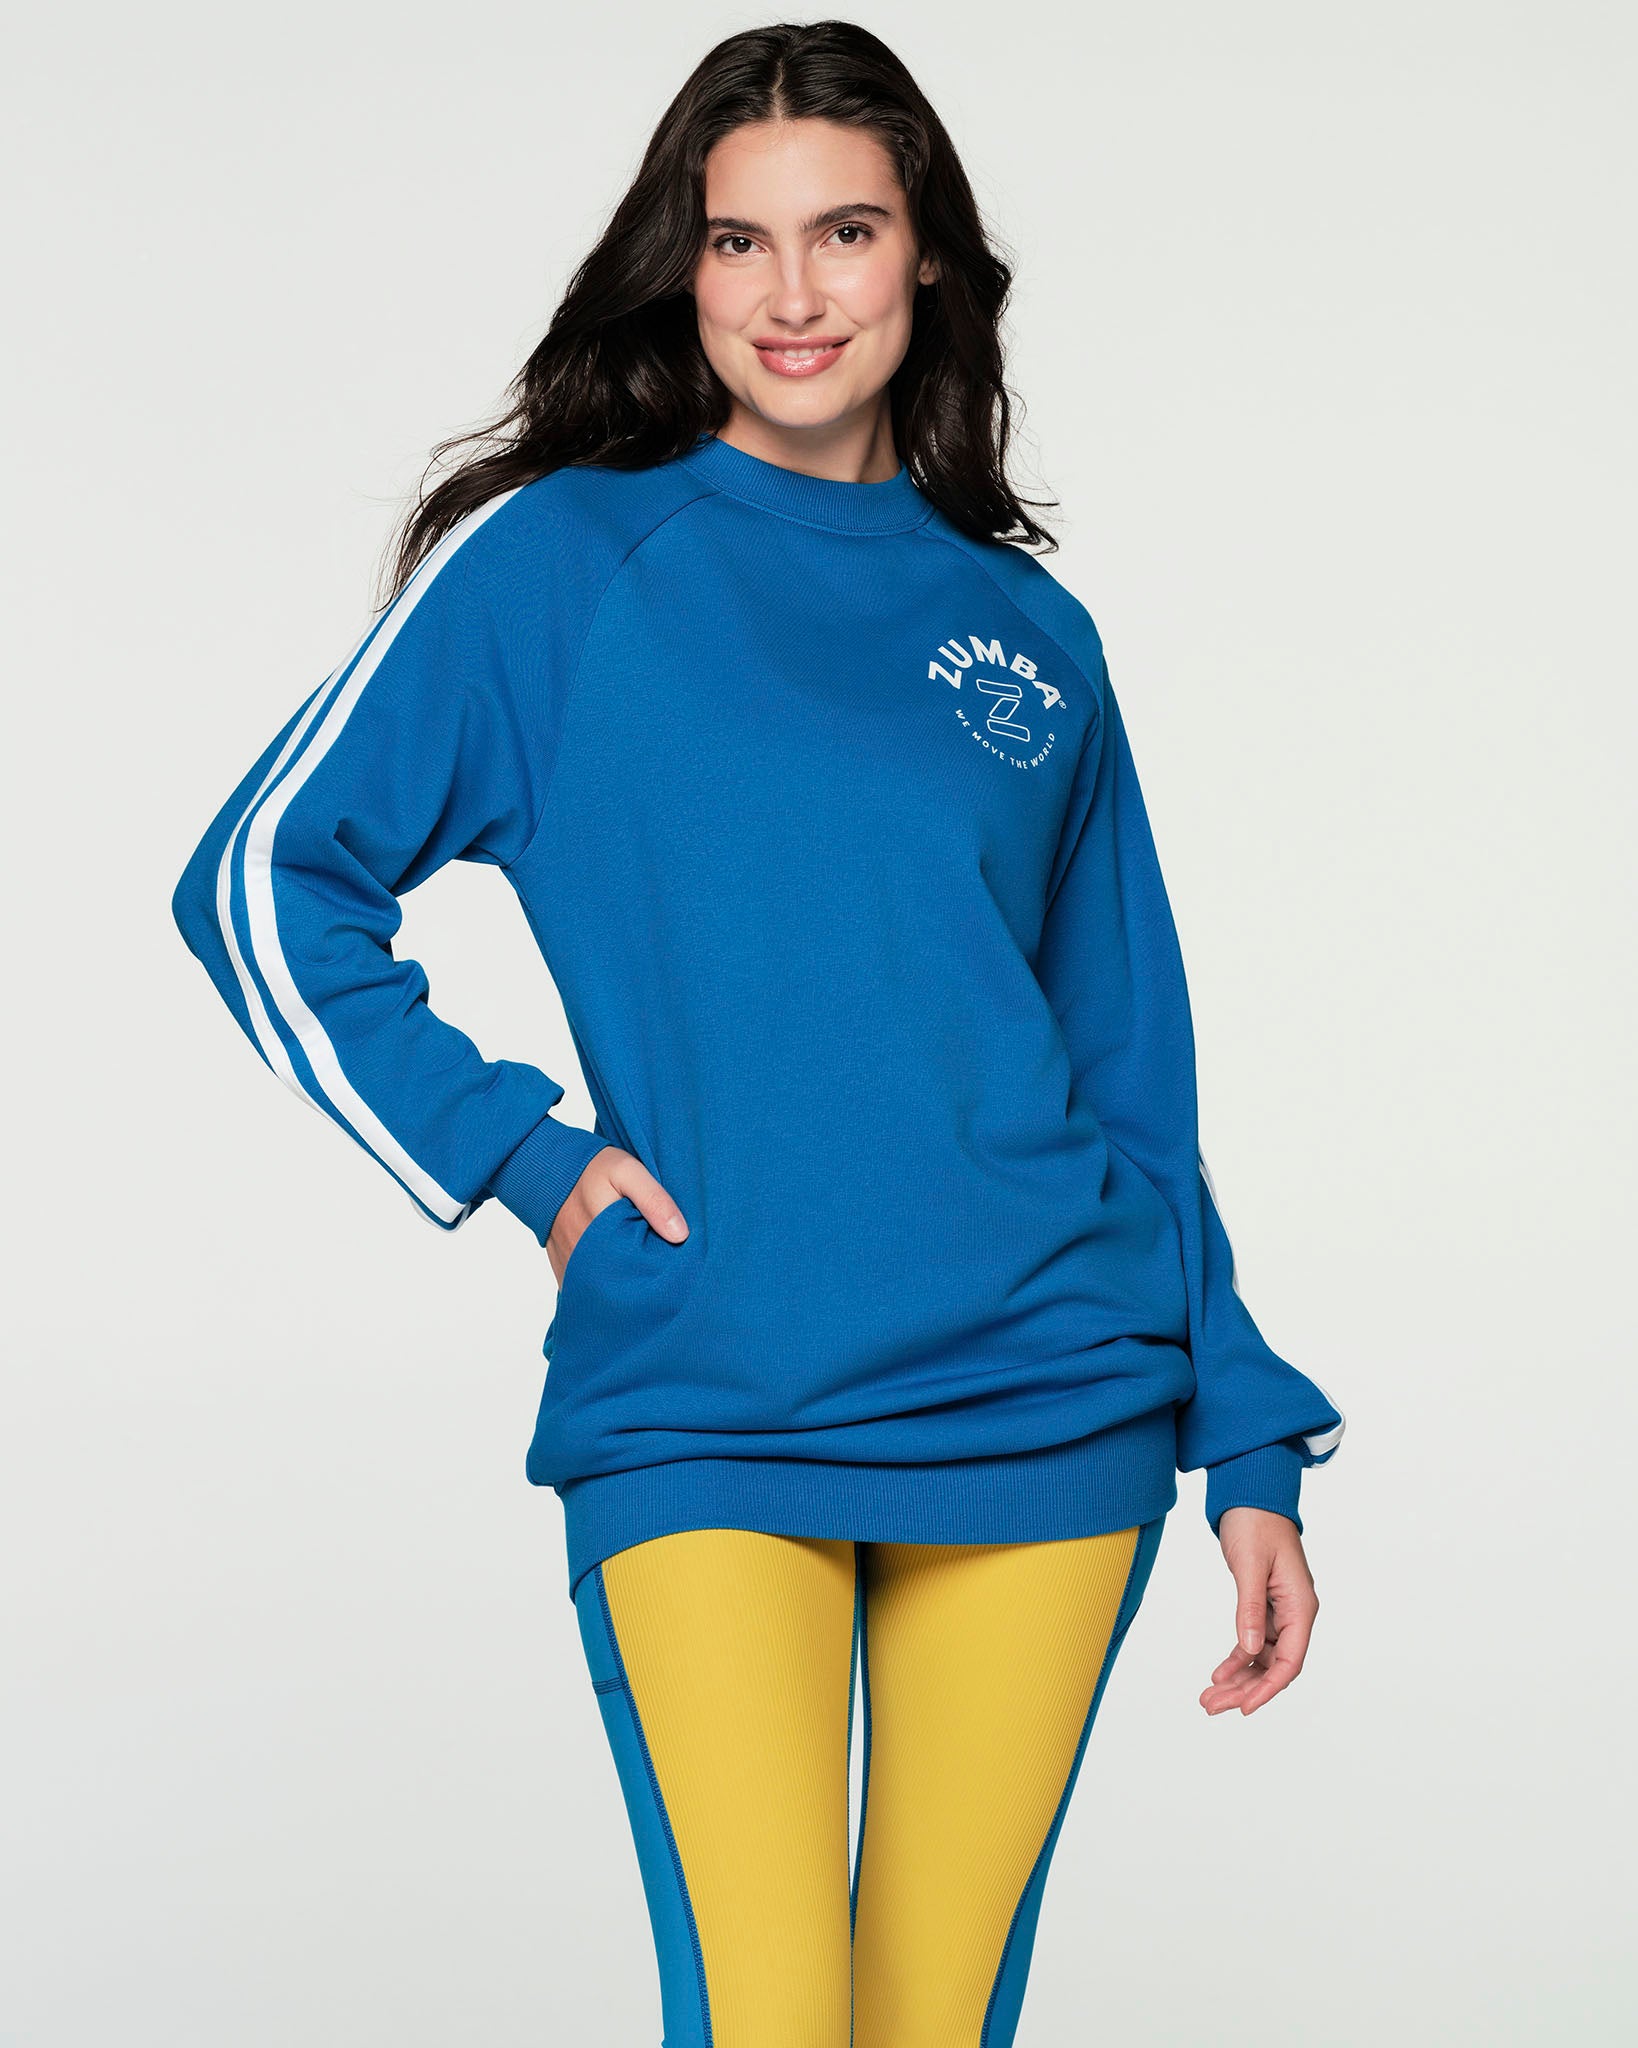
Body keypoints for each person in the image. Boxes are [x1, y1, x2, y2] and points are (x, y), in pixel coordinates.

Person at [170, 19, 1346, 2045]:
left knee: (929, 2022)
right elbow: (261, 879)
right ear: (685, 268)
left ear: (928, 258)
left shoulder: (1030, 637)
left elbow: (1127, 1072)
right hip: (707, 1398)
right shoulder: (567, 564)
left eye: (846, 232)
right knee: (771, 2013)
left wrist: (1245, 1432)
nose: (793, 293)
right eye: (739, 241)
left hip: (1048, 1396)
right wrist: (524, 1161)